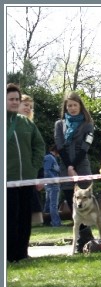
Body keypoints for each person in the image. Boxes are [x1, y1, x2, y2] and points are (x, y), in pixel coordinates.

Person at [6, 83, 45, 263]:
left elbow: (39, 145)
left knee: (24, 218)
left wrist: (33, 167)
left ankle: (22, 254)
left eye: (17, 99)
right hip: (7, 181)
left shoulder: (26, 122)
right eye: (11, 99)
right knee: (9, 219)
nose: (15, 102)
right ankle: (8, 255)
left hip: (26, 180)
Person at [54, 91, 94, 212]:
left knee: (87, 206)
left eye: (75, 105)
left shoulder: (88, 124)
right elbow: (59, 146)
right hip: (65, 166)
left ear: (80, 106)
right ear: (66, 108)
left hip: (82, 166)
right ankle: (80, 230)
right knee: (73, 206)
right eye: (69, 106)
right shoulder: (59, 125)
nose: (72, 108)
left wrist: (73, 167)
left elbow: (85, 146)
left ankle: (87, 230)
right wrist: (69, 167)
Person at [18, 94, 44, 225]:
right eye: (25, 105)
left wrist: (40, 177)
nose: (28, 108)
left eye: (30, 106)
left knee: (26, 221)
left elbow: (38, 152)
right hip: (13, 175)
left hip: (29, 177)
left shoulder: (31, 127)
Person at [43, 145, 62, 227]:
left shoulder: (51, 158)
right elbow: (46, 170)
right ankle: (56, 223)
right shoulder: (50, 158)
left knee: (48, 204)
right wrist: (55, 179)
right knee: (53, 204)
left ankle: (46, 221)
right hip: (53, 184)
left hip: (50, 184)